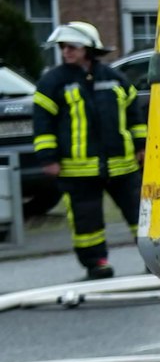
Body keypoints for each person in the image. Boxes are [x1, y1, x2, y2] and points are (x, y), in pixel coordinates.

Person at [30, 21, 144, 279]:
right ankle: (97, 265)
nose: (66, 52)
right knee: (86, 221)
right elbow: (42, 124)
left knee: (141, 216)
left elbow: (134, 115)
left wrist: (141, 146)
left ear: (89, 48)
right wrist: (48, 158)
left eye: (72, 46)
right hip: (77, 169)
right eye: (63, 47)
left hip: (122, 165)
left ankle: (155, 262)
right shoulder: (52, 82)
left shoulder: (115, 79)